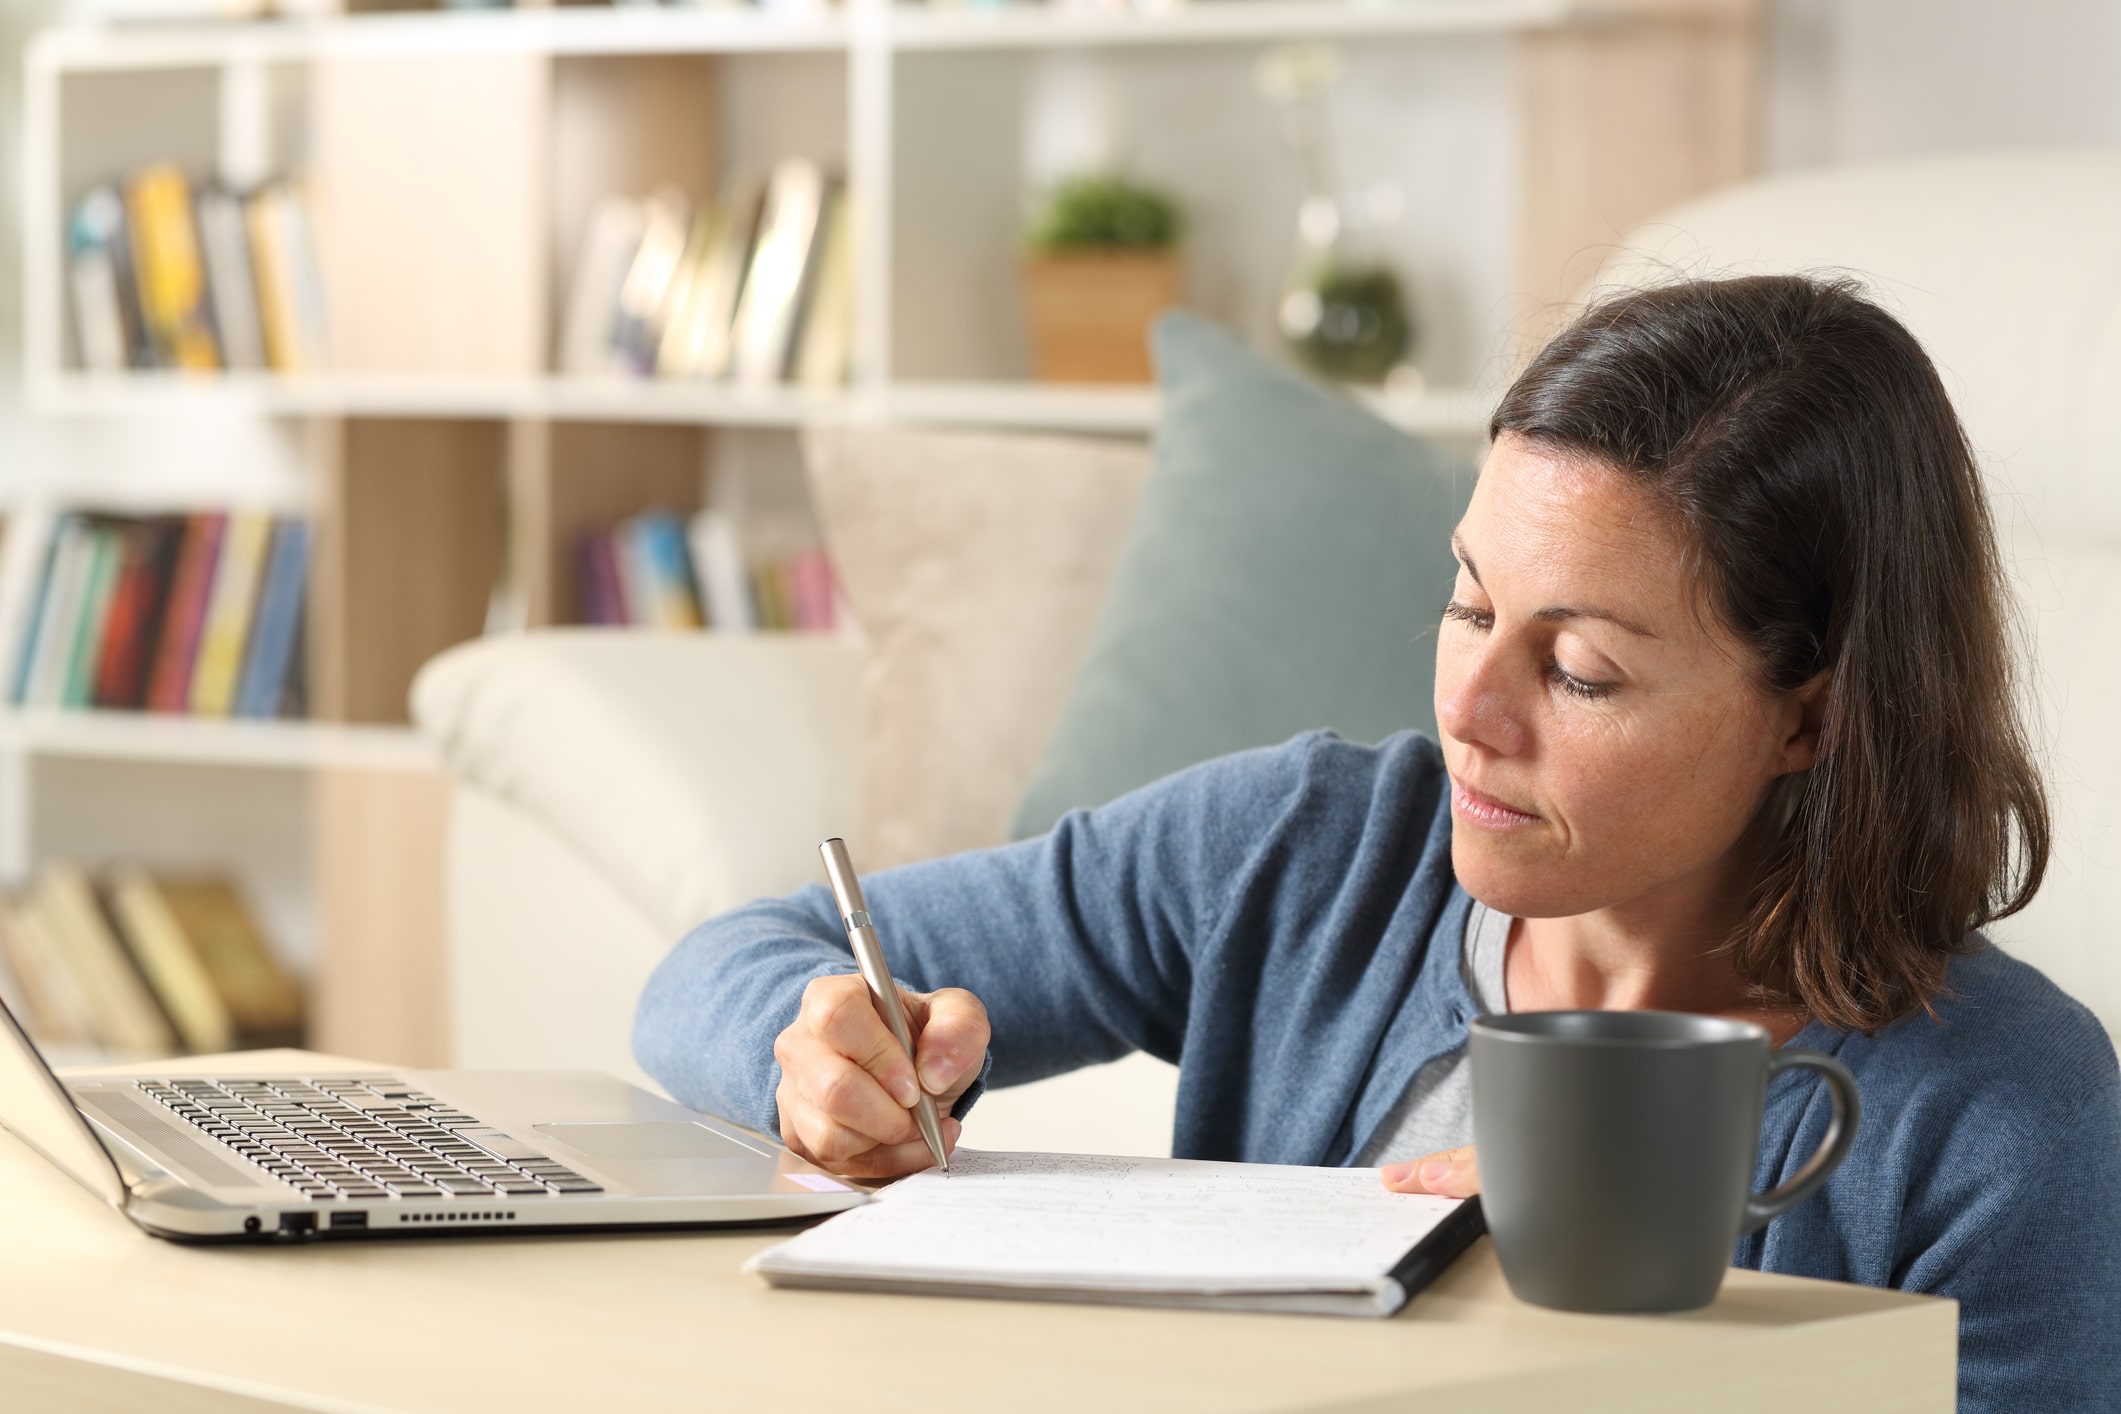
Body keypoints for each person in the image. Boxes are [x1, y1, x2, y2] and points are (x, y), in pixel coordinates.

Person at [633, 275, 2121, 1410]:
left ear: (1810, 715)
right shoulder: (1307, 850)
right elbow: (725, 963)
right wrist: (823, 1057)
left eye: (1580, 669)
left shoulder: (1999, 1118)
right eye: (1470, 602)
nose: (1468, 706)